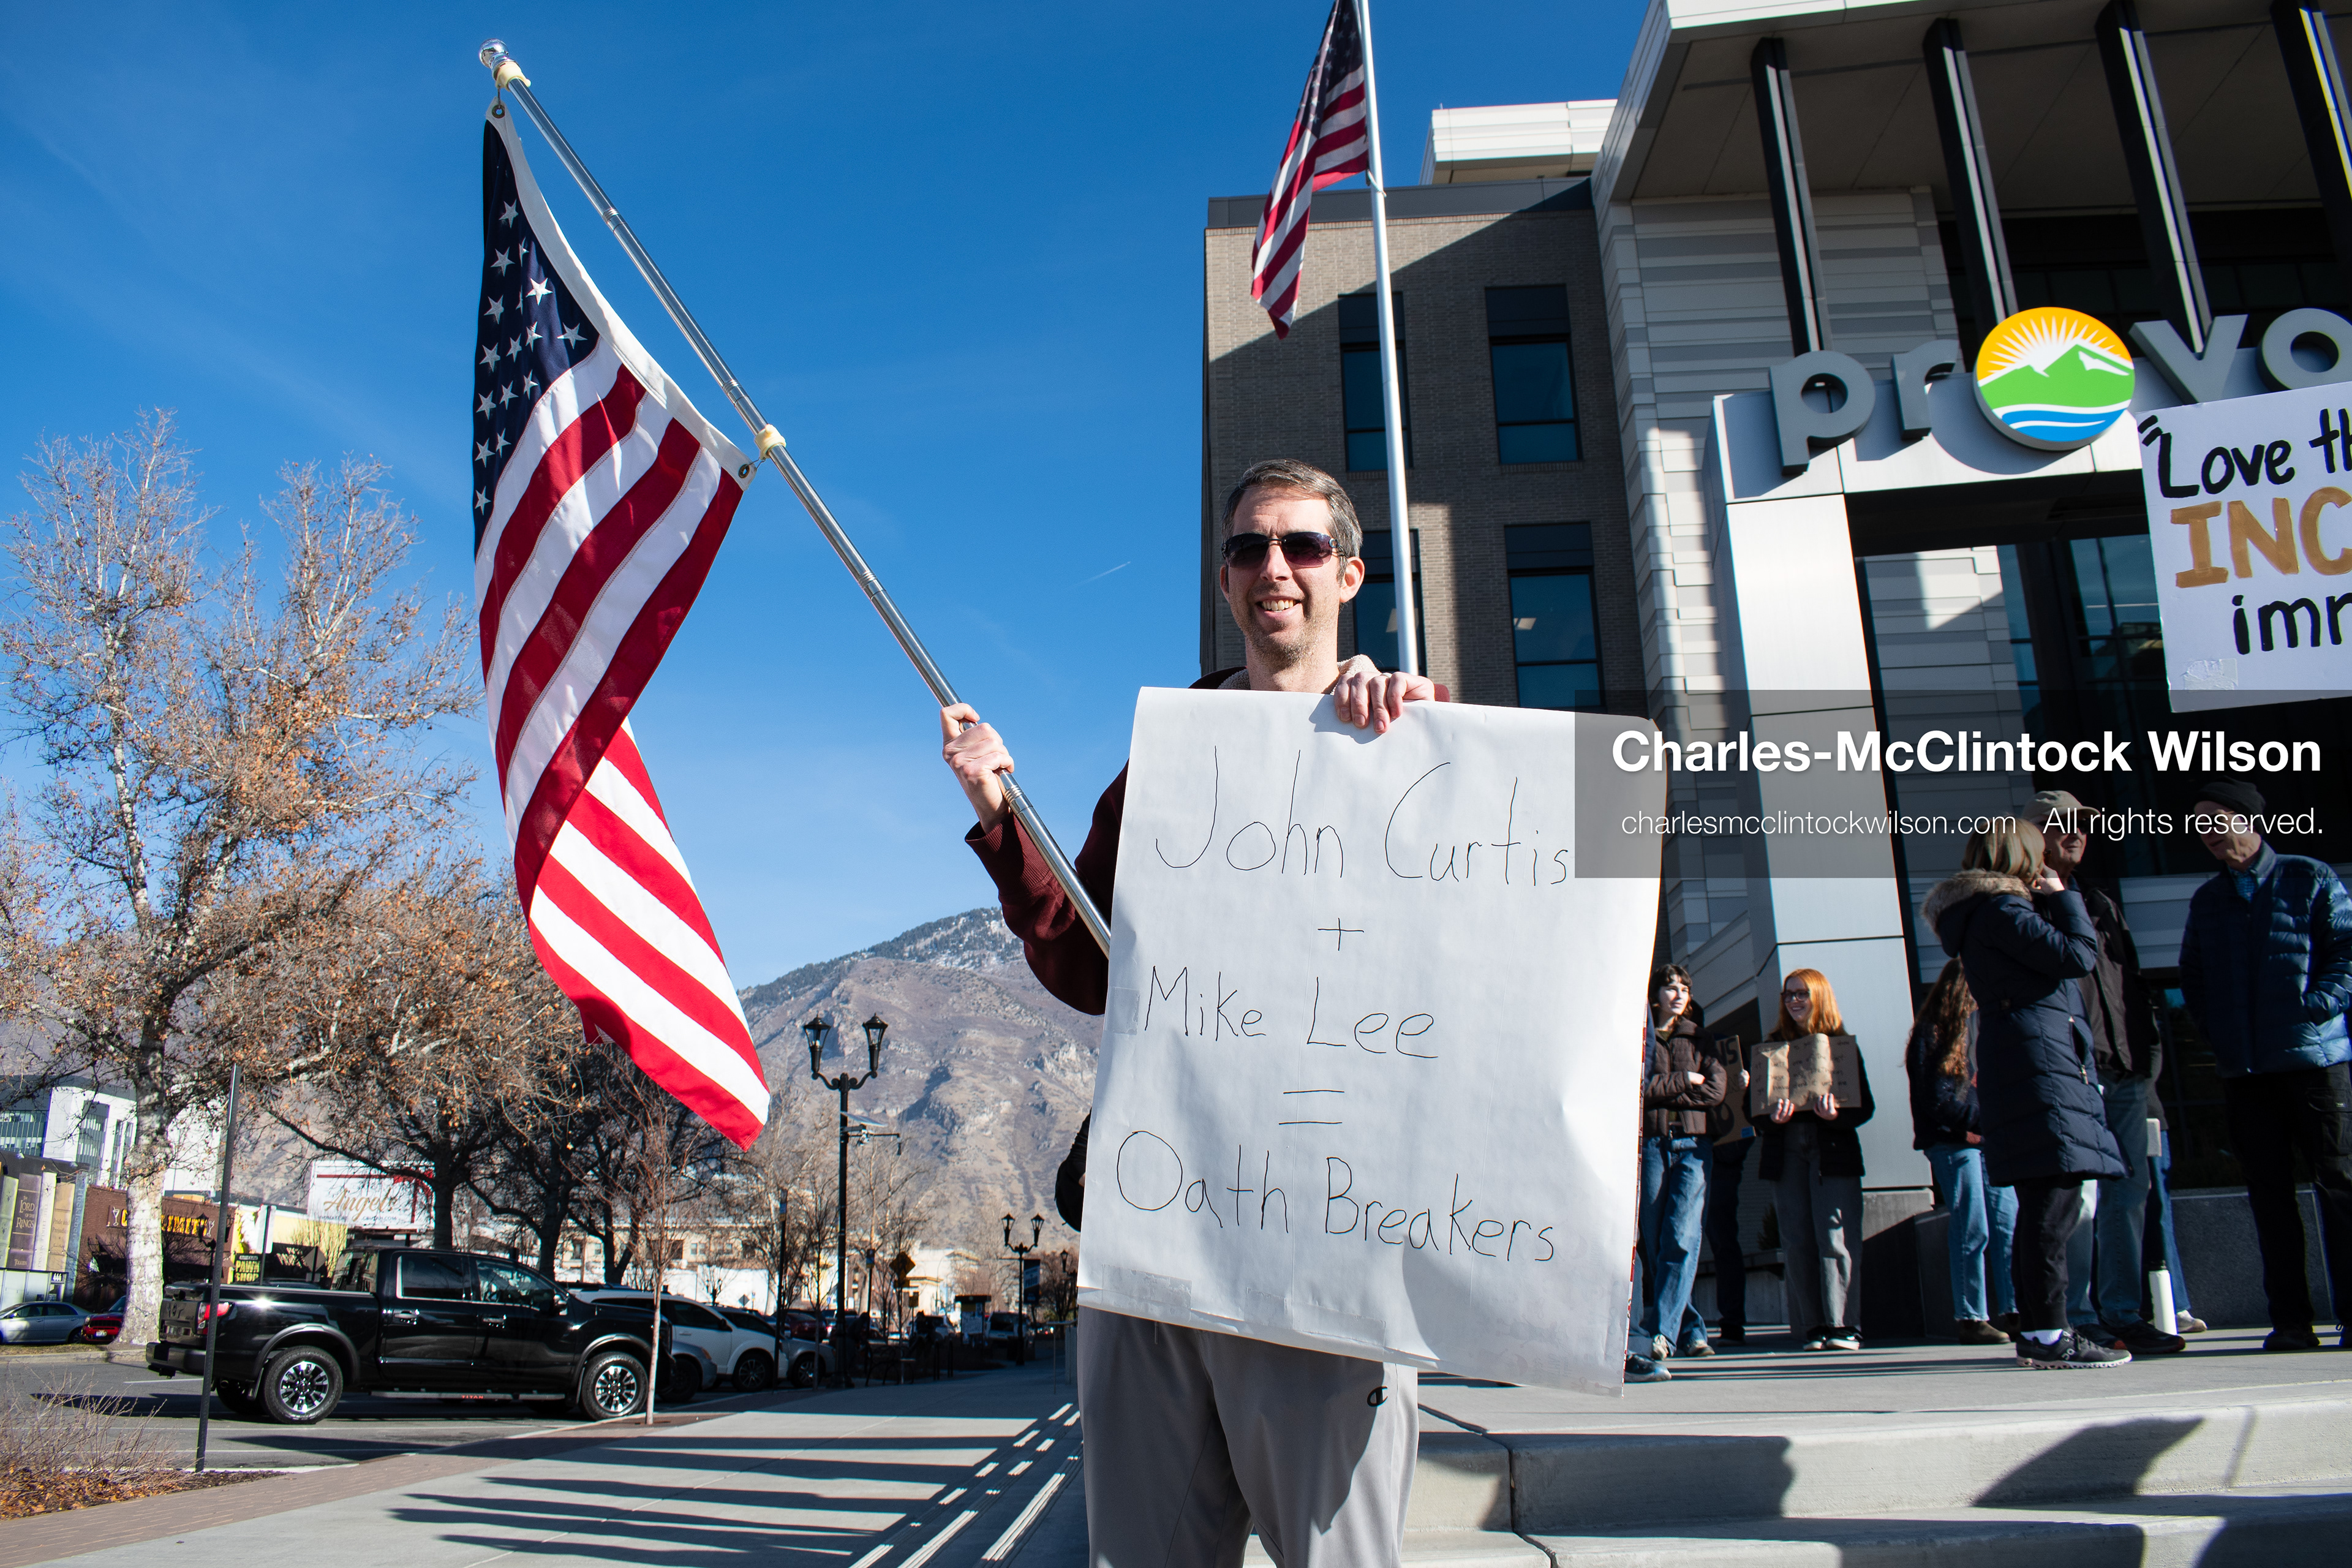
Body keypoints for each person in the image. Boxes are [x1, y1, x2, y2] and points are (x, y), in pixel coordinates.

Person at [942, 457, 1442, 1566]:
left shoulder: (1413, 748)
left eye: (1303, 546)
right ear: (1224, 581)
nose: (1276, 567)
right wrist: (999, 817)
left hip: (1326, 1241)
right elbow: (1087, 968)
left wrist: (1418, 730)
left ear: (1350, 574)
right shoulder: (1168, 766)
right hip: (1155, 1236)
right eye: (1248, 548)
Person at [1925, 818, 2130, 1370]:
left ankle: (2042, 1328)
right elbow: (2077, 957)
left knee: (2045, 1200)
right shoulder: (2003, 912)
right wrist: (2064, 900)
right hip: (2039, 1065)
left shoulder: (1985, 917)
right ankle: (2045, 1332)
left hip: (2028, 1061)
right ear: (2018, 857)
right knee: (2051, 1202)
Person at [2177, 777, 2352, 1353]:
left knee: (2341, 1188)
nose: (2203, 831)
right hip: (2246, 1073)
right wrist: (2219, 1034)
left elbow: (2346, 954)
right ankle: (2293, 1323)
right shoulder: (2208, 900)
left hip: (2314, 1063)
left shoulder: (2309, 876)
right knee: (2269, 1198)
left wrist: (2316, 1008)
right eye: (2197, 822)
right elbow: (2194, 980)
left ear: (2247, 818)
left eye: (2213, 818)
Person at [2031, 791, 2185, 1357]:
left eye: (2079, 825)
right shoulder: (2024, 904)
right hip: (2073, 1073)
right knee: (2078, 1198)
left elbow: (2131, 990)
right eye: (2057, 825)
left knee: (2130, 1192)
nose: (2072, 833)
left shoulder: (2099, 902)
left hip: (2123, 1072)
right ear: (2033, 835)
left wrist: (2147, 1063)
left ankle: (2121, 1314)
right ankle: (2074, 1317)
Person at [1757, 968, 1874, 1351]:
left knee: (1835, 1236)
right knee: (1796, 1238)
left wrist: (1836, 1115)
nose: (1793, 1001)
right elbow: (1754, 1109)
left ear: (1819, 996)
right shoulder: (1773, 1045)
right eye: (1788, 995)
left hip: (1832, 1149)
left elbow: (1865, 1106)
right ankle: (1813, 1327)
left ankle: (1844, 1325)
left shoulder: (1841, 1045)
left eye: (1801, 994)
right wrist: (1771, 1117)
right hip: (1787, 1147)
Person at [1902, 958, 2016, 1346]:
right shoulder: (1932, 1034)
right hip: (1953, 1143)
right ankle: (1971, 1316)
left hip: (1987, 1140)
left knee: (2007, 1223)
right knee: (1974, 1226)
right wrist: (1984, 1125)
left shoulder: (1984, 1030)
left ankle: (2015, 1309)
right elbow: (1937, 1101)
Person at [1637, 964, 1726, 1360]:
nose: (1678, 994)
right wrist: (1684, 1081)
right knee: (1655, 1240)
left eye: (1684, 988)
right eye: (1670, 987)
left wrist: (1668, 1092)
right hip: (1653, 1144)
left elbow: (1715, 1091)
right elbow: (1637, 1089)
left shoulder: (1701, 1038)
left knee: (1683, 1236)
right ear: (1655, 995)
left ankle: (1663, 1335)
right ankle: (1691, 1328)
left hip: (1693, 1146)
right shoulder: (1641, 1040)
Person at [1697, 1030, 1754, 1346]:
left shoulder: (1723, 1047)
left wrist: (1744, 1087)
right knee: (1678, 1239)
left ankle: (1731, 1321)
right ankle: (1682, 1324)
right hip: (1687, 1147)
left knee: (1722, 1239)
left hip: (1722, 1153)